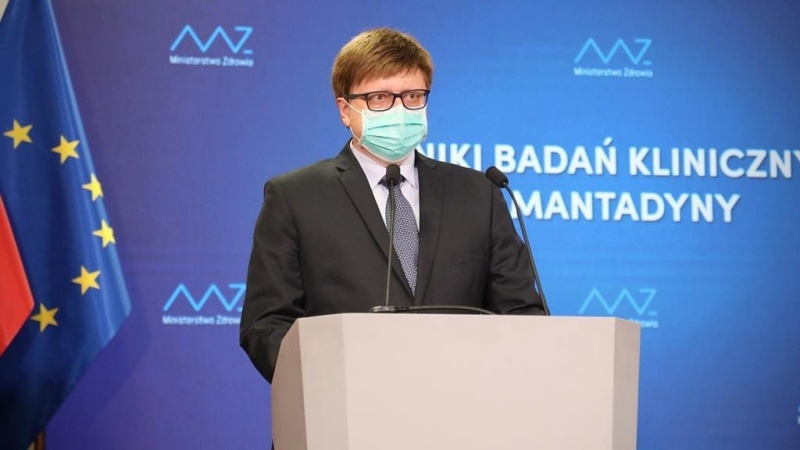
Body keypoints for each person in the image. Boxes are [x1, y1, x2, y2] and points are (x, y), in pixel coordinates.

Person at [240, 27, 546, 384]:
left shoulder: (478, 194)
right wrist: (328, 382)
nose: (400, 110)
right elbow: (267, 324)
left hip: (463, 401)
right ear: (345, 110)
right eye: (380, 98)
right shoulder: (294, 197)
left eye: (413, 96)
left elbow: (521, 312)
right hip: (345, 406)